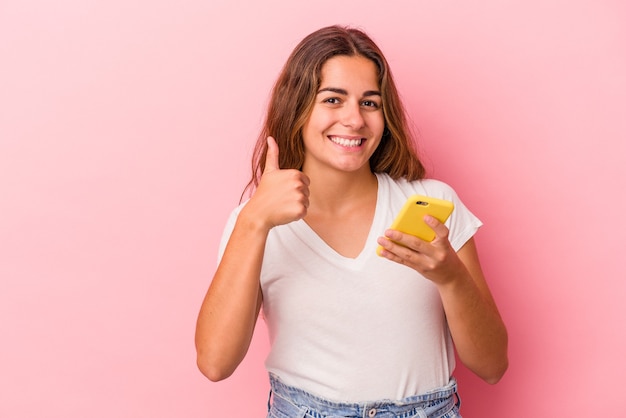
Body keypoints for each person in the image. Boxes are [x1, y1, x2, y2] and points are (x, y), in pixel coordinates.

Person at [195, 25, 508, 418]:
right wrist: (255, 220)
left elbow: (493, 365)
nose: (354, 120)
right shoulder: (255, 221)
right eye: (333, 99)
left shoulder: (432, 204)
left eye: (370, 103)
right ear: (298, 108)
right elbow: (214, 363)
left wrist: (450, 277)